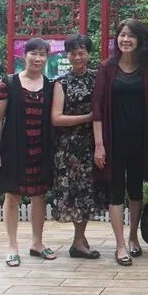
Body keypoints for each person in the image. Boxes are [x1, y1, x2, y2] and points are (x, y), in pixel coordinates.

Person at [92, 19, 148, 267]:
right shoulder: (107, 68)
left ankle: (133, 237)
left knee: (136, 190)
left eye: (131, 35)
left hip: (140, 140)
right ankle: (120, 244)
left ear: (140, 40)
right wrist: (99, 145)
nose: (126, 39)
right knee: (116, 190)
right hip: (113, 141)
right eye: (122, 35)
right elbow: (97, 108)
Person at [0, 38, 55, 267]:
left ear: (47, 58)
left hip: (41, 147)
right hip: (13, 147)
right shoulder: (9, 83)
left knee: (39, 195)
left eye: (42, 54)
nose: (38, 58)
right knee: (12, 195)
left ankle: (37, 243)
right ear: (24, 55)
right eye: (33, 53)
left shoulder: (50, 85)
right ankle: (12, 246)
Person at [51, 34, 105, 260]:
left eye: (81, 52)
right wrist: (87, 118)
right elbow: (56, 118)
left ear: (89, 54)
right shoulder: (61, 82)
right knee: (76, 193)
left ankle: (80, 239)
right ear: (67, 55)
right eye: (73, 53)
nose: (77, 57)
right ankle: (78, 242)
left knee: (88, 192)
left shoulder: (98, 77)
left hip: (93, 143)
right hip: (70, 147)